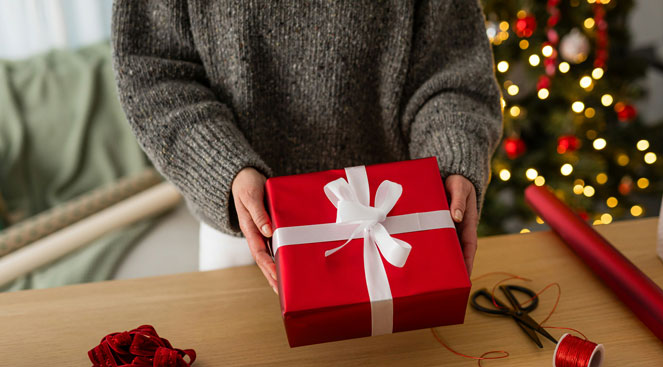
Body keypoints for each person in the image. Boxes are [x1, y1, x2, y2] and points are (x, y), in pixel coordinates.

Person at [112, 0, 502, 293]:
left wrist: (453, 157)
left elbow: (451, 74)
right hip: (247, 235)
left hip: (395, 237)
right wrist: (223, 168)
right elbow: (154, 74)